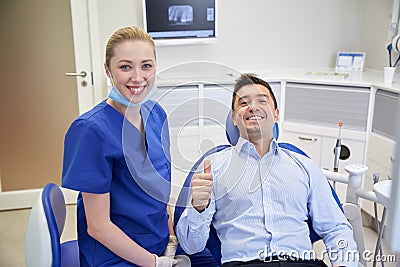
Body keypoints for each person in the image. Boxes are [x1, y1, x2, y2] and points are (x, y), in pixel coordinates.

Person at [176, 73, 359, 267]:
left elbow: (336, 228)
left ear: (276, 114)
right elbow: (191, 246)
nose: (253, 107)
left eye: (262, 100)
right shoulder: (214, 167)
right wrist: (198, 207)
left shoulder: (304, 166)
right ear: (234, 118)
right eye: (243, 103)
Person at [62, 26, 189, 267]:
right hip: (115, 254)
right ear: (107, 70)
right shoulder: (90, 130)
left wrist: (170, 240)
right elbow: (98, 227)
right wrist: (155, 263)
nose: (138, 77)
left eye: (146, 65)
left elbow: (160, 188)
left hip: (158, 239)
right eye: (125, 67)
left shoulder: (156, 113)